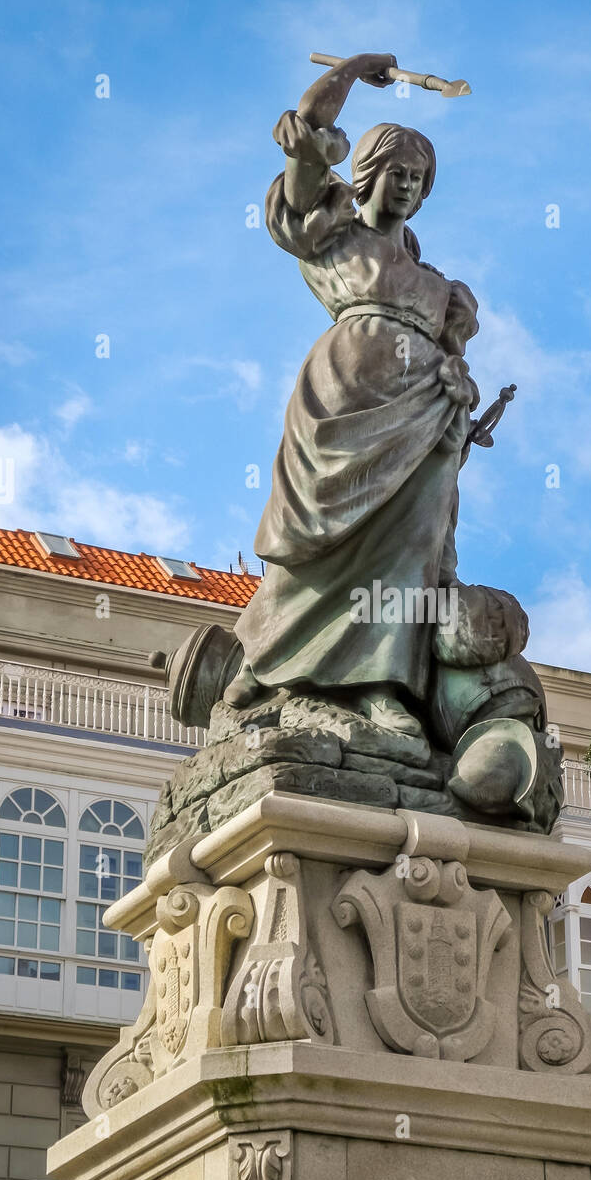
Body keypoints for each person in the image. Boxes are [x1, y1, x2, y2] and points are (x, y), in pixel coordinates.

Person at [228, 53, 481, 738]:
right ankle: (263, 655)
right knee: (321, 536)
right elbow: (306, 133)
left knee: (411, 542)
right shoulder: (331, 229)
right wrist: (352, 70)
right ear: (368, 173)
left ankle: (378, 684)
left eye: (418, 179)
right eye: (396, 172)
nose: (406, 186)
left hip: (425, 415)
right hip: (344, 392)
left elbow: (455, 354)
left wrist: (460, 390)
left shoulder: (439, 285)